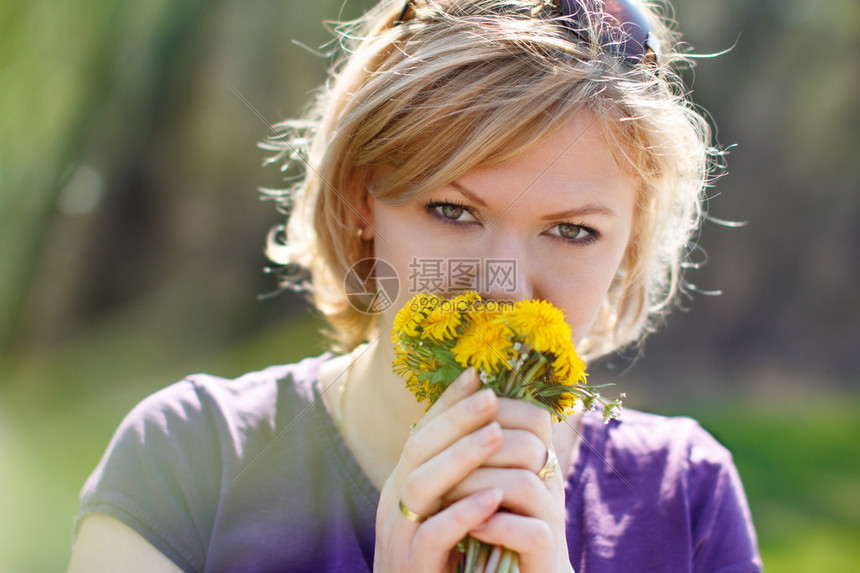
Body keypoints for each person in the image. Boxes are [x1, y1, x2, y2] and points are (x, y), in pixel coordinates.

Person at [68, 0, 762, 571]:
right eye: (454, 211)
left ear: (628, 250)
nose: (505, 286)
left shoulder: (689, 498)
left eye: (573, 230)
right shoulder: (190, 462)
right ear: (360, 202)